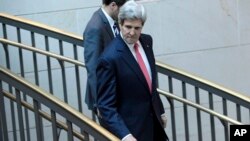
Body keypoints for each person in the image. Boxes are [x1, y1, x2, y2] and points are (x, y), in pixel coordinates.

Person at [96, 1, 169, 141]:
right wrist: (125, 135)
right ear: (120, 24)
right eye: (128, 27)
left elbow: (149, 82)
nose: (132, 33)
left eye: (137, 28)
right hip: (132, 132)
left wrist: (160, 110)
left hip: (154, 126)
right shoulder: (109, 58)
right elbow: (105, 106)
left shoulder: (147, 42)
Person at [83, 0, 127, 111]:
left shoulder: (112, 20)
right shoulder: (95, 27)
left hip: (117, 93)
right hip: (106, 98)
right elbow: (93, 68)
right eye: (123, 9)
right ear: (113, 5)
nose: (125, 13)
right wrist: (101, 104)